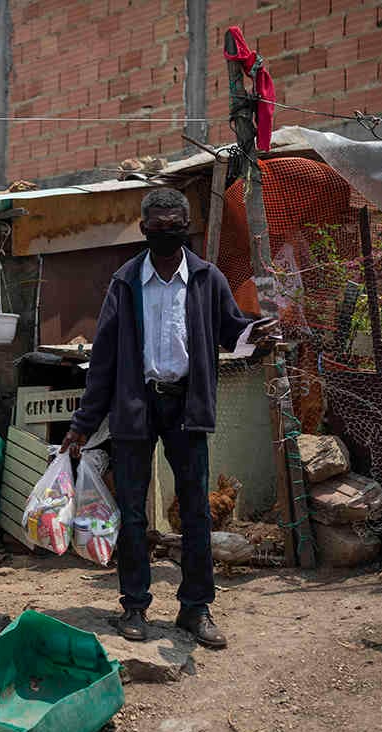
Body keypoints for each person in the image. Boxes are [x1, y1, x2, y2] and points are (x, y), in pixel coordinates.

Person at [62, 187, 277, 648]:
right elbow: (102, 360)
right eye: (157, 227)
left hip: (186, 405)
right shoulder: (125, 282)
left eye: (175, 225)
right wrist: (82, 425)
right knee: (134, 512)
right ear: (144, 231)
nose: (166, 233)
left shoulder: (206, 278)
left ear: (187, 228)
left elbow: (232, 329)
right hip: (135, 406)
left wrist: (256, 335)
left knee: (196, 509)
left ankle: (195, 608)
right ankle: (135, 607)